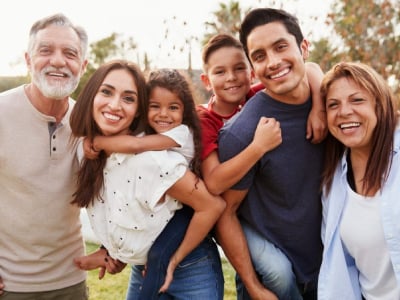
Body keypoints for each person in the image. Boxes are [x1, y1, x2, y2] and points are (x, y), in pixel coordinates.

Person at [68, 62, 226, 299]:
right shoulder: (88, 153)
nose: (115, 104)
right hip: (144, 266)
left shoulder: (153, 159)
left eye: (128, 98)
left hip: (189, 268)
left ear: (137, 109)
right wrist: (116, 254)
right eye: (107, 92)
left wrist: (172, 261)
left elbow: (212, 206)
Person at [216, 8, 326, 300]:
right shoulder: (242, 134)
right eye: (260, 56)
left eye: (280, 47)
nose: (274, 62)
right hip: (277, 286)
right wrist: (253, 285)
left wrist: (321, 104)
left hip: (332, 273)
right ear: (252, 67)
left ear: (303, 47)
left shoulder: (333, 106)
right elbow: (225, 214)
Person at [0, 13, 90, 299]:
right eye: (46, 50)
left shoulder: (89, 123)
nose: (59, 61)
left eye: (70, 54)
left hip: (71, 280)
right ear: (28, 60)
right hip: (9, 285)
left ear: (82, 65)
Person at [198, 33, 326, 195]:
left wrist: (319, 108)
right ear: (207, 81)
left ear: (252, 74)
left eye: (239, 68)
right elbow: (214, 184)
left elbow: (310, 68)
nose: (231, 77)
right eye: (220, 72)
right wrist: (259, 147)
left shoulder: (256, 97)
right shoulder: (204, 119)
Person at [317, 62, 400, 300]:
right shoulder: (332, 186)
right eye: (333, 105)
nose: (344, 112)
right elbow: (344, 268)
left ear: (379, 104)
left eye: (357, 100)